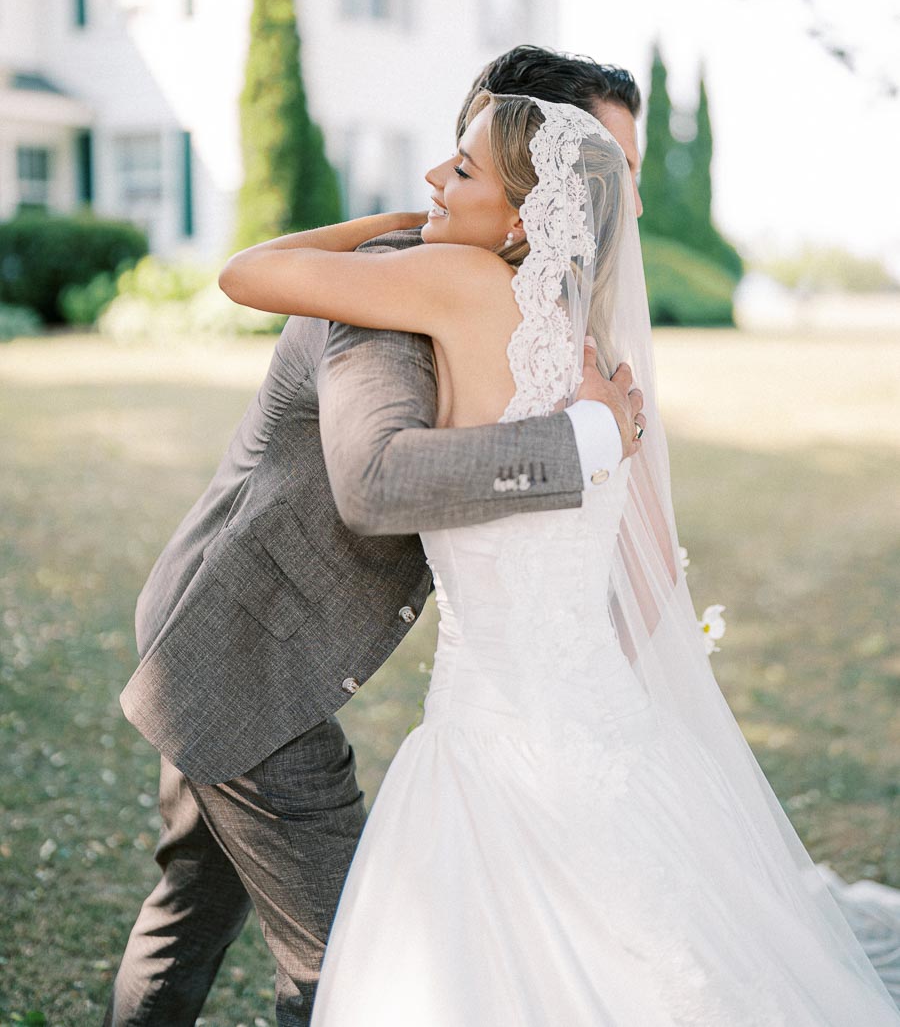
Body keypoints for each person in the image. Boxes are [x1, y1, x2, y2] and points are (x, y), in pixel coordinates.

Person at [220, 90, 900, 1025]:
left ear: (521, 218)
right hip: (605, 723)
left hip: (491, 731)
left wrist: (397, 228)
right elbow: (643, 564)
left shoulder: (454, 282)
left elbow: (248, 273)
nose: (434, 181)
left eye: (461, 172)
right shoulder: (590, 356)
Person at [104, 48, 648, 1027]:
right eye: (608, 166)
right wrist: (586, 439)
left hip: (217, 608)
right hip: (241, 643)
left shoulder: (519, 310)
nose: (620, 202)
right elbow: (378, 481)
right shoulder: (400, 302)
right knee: (345, 962)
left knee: (191, 908)